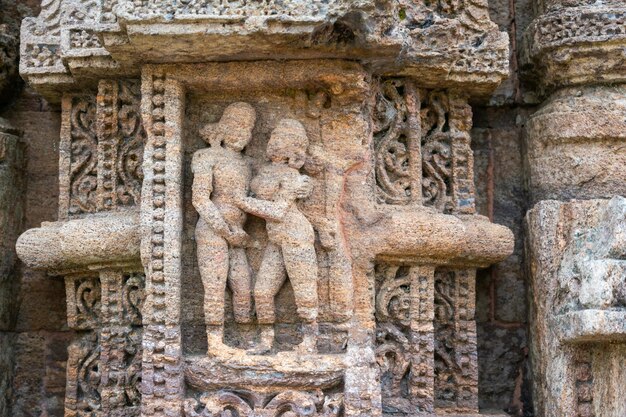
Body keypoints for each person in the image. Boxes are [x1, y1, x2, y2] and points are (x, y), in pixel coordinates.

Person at [236, 118, 319, 354]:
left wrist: (242, 202)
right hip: (276, 239)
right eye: (273, 137)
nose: (273, 142)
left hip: (295, 236)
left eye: (280, 139)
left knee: (304, 289)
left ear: (294, 149)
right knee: (262, 292)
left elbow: (278, 211)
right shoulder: (265, 171)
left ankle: (310, 342)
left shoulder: (292, 176)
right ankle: (265, 341)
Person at [192, 102, 256, 355]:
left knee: (243, 286)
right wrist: (228, 231)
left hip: (237, 234)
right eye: (239, 126)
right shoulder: (206, 157)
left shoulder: (246, 163)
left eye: (249, 129)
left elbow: (249, 198)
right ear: (224, 126)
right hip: (212, 231)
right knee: (215, 286)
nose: (244, 133)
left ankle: (245, 340)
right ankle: (215, 343)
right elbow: (199, 199)